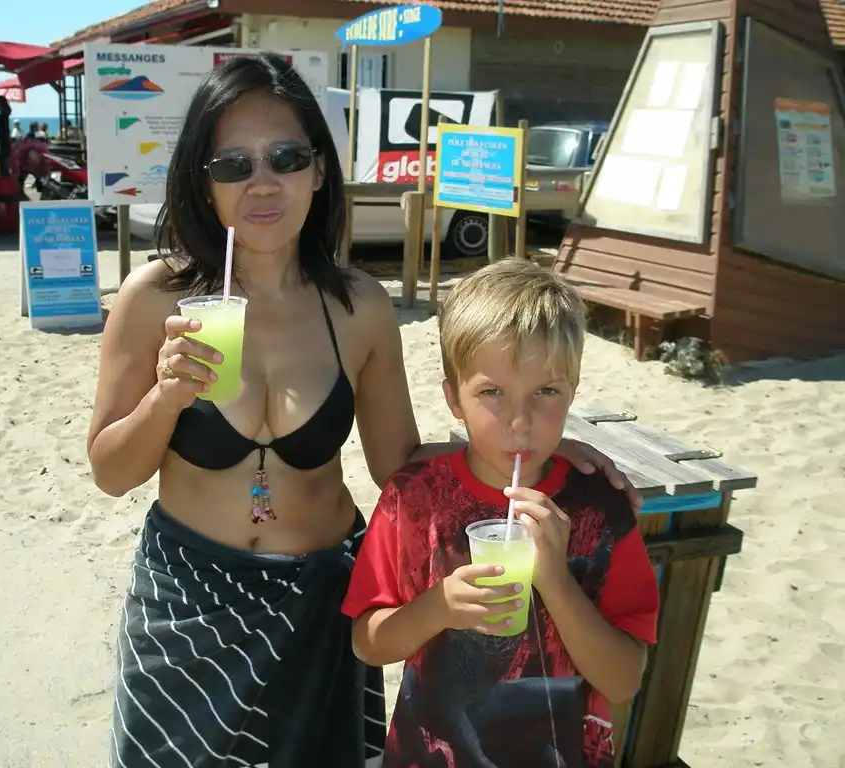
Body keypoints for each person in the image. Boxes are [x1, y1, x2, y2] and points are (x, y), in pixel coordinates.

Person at [87, 53, 640, 768]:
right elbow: (110, 471)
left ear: (319, 170)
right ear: (204, 178)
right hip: (187, 599)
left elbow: (398, 468)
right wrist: (167, 398)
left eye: (285, 157)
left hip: (320, 596)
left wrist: (543, 452)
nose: (262, 182)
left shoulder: (358, 307)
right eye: (233, 164)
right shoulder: (153, 297)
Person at [342, 259, 661, 768]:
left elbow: (623, 682)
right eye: (492, 392)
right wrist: (438, 607)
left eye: (546, 392)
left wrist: (555, 580)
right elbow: (368, 644)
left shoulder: (600, 509)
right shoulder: (412, 500)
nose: (520, 421)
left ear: (572, 393)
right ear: (454, 399)